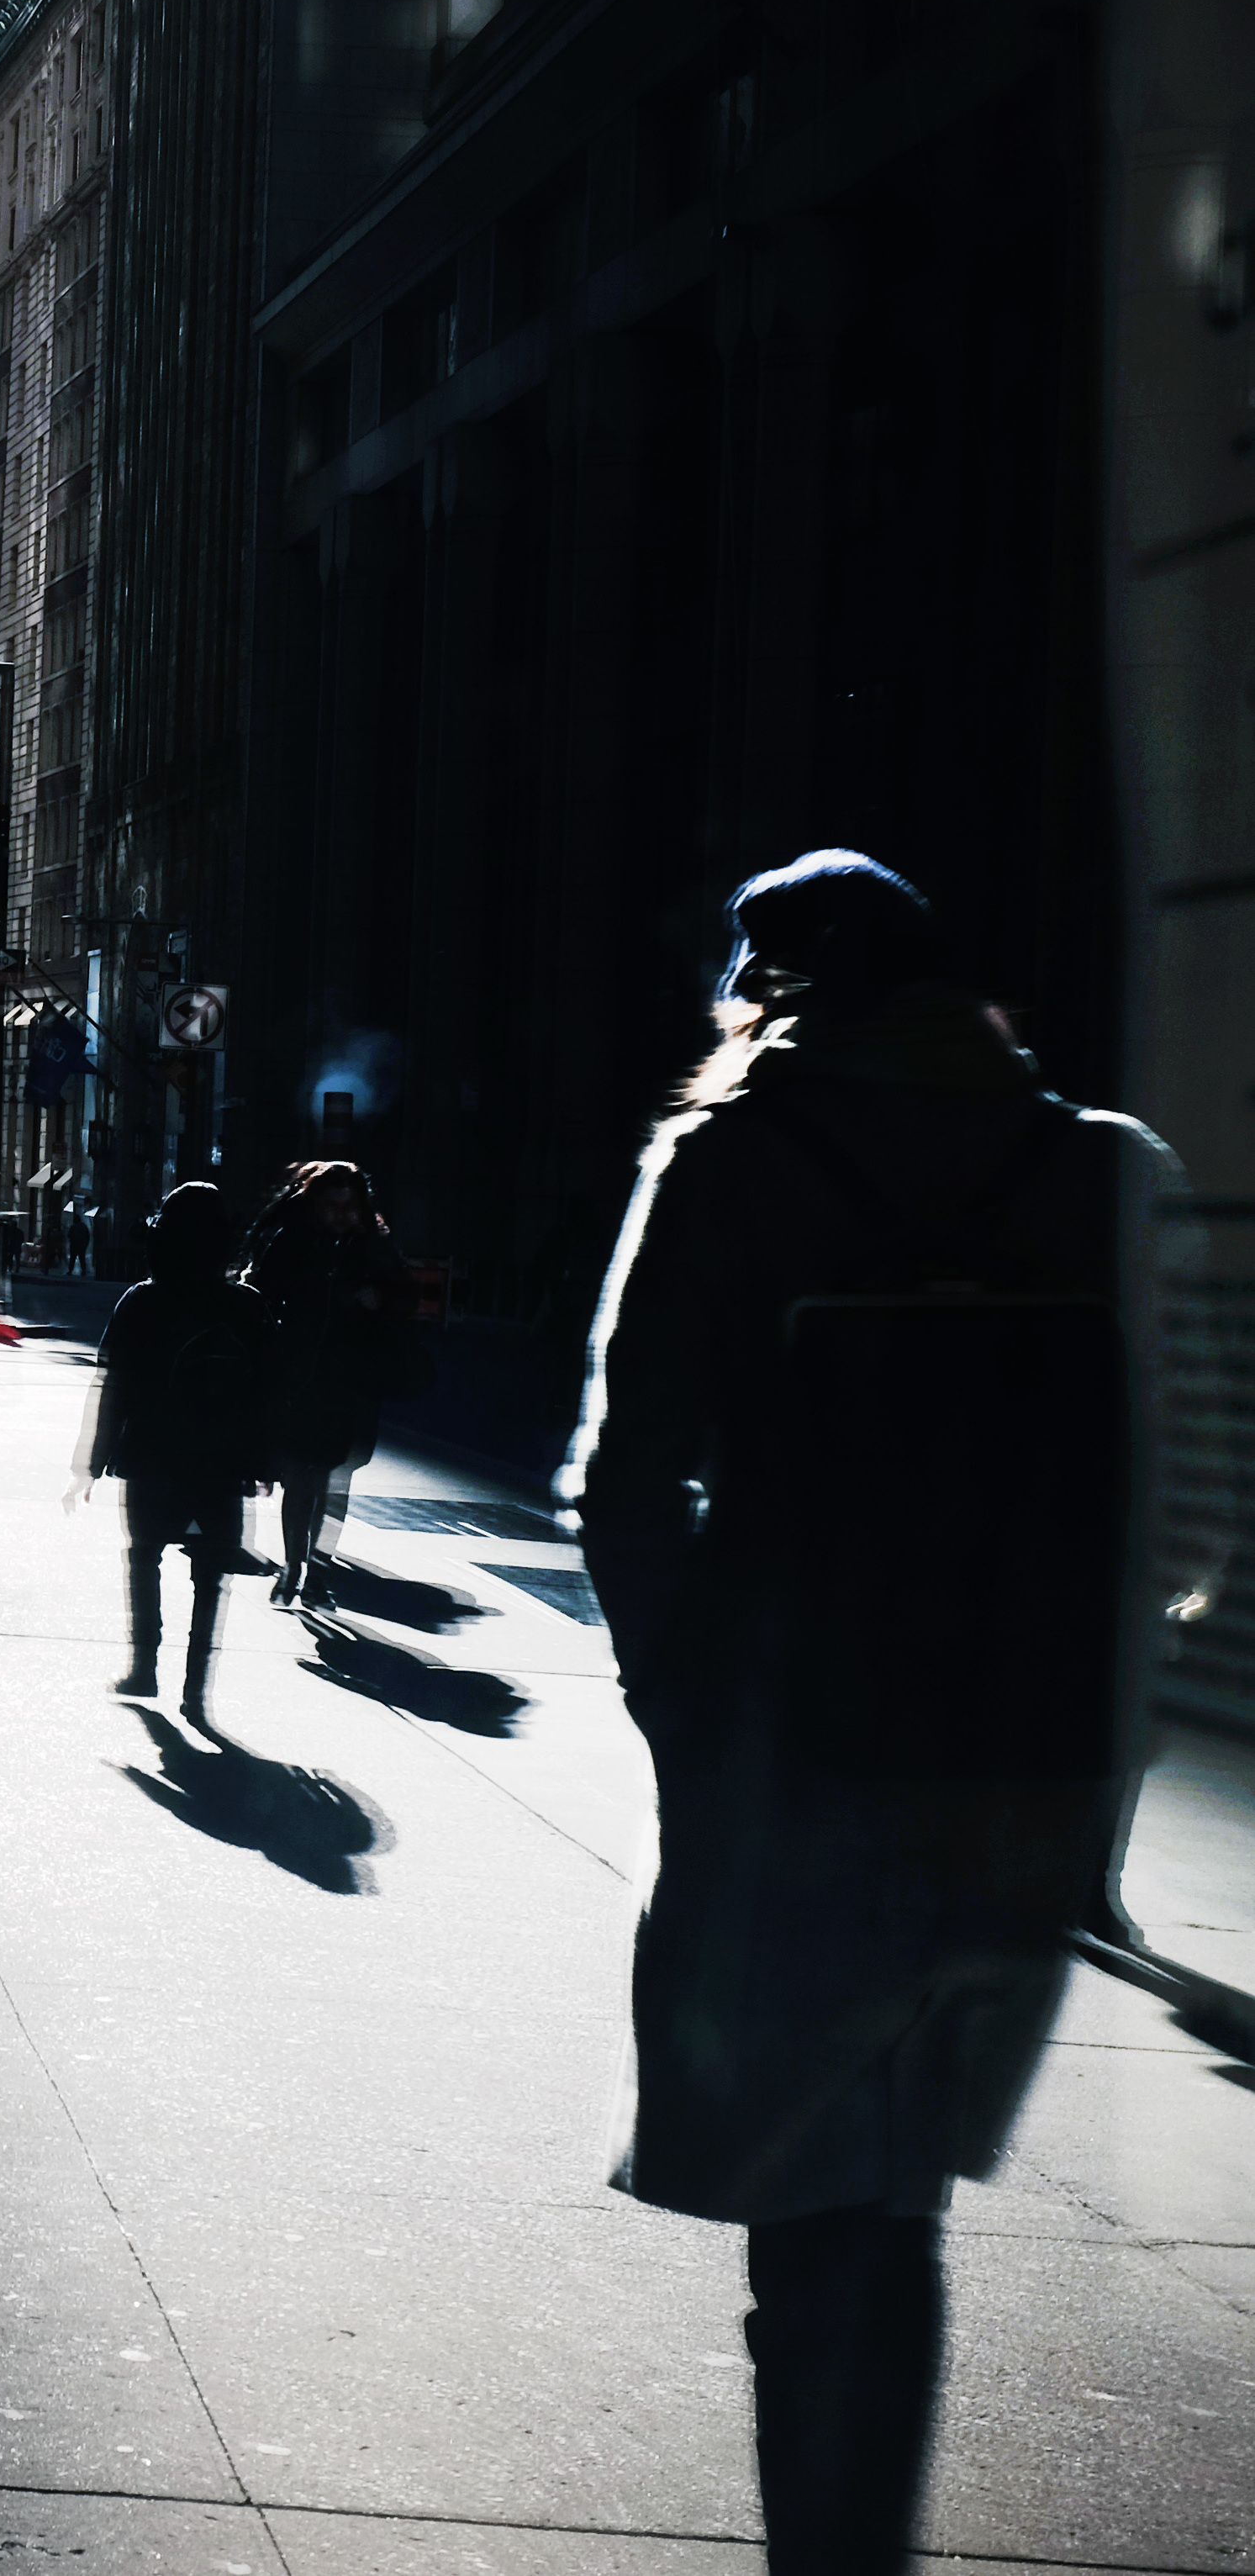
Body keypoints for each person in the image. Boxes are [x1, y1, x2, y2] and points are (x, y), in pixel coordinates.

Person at [562, 849, 1164, 2576]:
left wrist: (681, 1703)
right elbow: (1191, 1498)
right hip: (1019, 1766)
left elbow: (625, 1478)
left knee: (814, 2200)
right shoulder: (1108, 1169)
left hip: (795, 1752)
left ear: (768, 992)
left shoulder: (733, 1160)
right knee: (897, 2201)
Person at [73, 1182, 267, 1718]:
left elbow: (112, 1384)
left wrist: (93, 1459)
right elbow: (267, 1392)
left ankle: (144, 1667)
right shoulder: (245, 1305)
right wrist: (261, 1461)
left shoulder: (143, 1301)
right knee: (212, 1572)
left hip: (151, 1451)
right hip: (222, 1459)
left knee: (144, 1556)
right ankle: (195, 1688)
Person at [241, 1159, 412, 1605]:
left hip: (352, 1382)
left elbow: (406, 1300)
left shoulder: (373, 1246)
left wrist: (380, 1300)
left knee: (335, 1481)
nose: (340, 1214)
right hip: (302, 1379)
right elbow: (260, 1295)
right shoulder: (293, 1241)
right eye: (332, 1205)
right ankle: (294, 1567)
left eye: (348, 1205)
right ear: (315, 1204)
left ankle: (315, 1570)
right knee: (301, 1478)